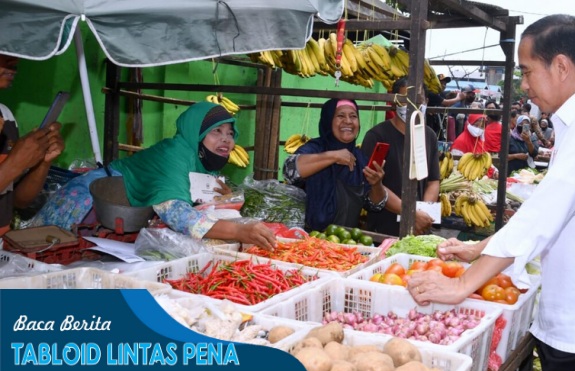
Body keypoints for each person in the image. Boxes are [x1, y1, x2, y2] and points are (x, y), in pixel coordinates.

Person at [407, 14, 575, 371]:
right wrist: (477, 249)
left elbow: (547, 211)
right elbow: (554, 211)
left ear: (561, 66)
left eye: (528, 71)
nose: (524, 84)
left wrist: (463, 285)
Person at [30, 102, 276, 249]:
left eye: (230, 133)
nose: (226, 139)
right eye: (216, 131)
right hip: (85, 205)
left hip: (118, 217)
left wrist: (224, 198)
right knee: (46, 259)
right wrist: (239, 231)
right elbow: (175, 212)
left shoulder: (202, 162)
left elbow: (189, 200)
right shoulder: (174, 154)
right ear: (195, 133)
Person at [284, 98, 387, 232]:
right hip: (308, 240)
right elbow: (289, 170)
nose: (348, 121)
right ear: (328, 120)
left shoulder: (361, 159)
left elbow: (374, 205)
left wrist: (377, 184)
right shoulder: (314, 148)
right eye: (340, 116)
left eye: (353, 116)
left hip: (345, 241)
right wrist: (333, 156)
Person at [361, 77, 440, 236]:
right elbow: (373, 184)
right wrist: (410, 214)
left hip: (418, 228)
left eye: (418, 100)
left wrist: (421, 215)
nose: (412, 106)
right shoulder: (377, 136)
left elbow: (433, 182)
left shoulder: (429, 135)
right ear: (395, 102)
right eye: (405, 100)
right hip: (384, 229)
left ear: (426, 101)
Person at [0, 54, 65, 236]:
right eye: (3, 54)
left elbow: (18, 201)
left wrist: (42, 161)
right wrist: (15, 164)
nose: (15, 61)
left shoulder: (7, 117)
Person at [426, 74, 466, 140]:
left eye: (445, 84)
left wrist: (450, 97)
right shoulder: (431, 93)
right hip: (429, 122)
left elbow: (444, 105)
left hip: (437, 123)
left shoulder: (440, 94)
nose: (444, 86)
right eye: (441, 83)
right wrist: (458, 98)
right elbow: (446, 103)